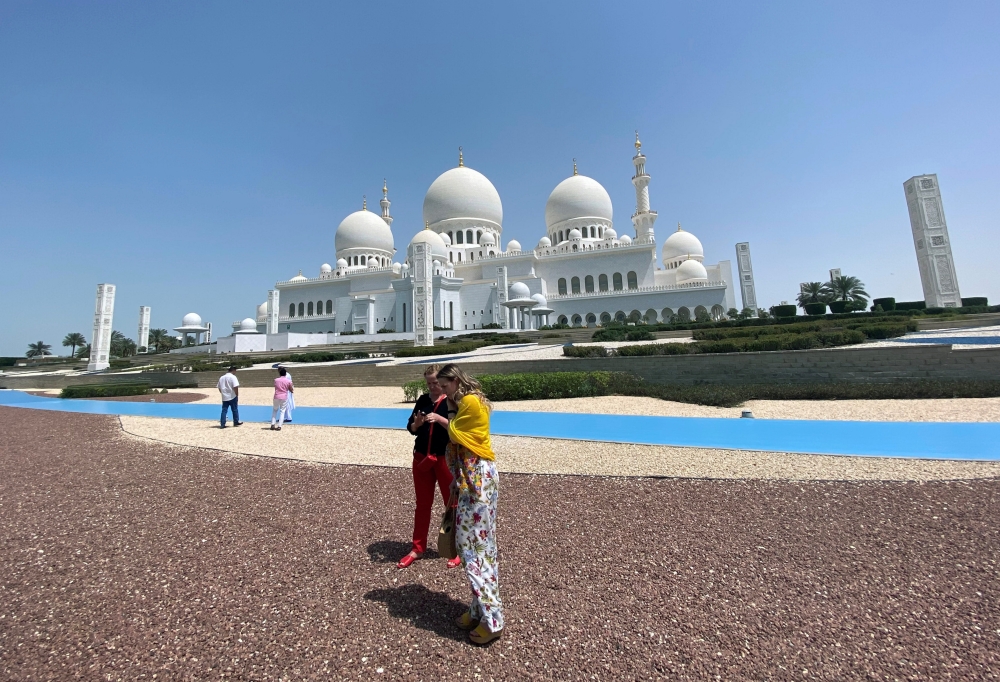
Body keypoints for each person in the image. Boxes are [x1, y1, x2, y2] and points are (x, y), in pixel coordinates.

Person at [432, 363, 504, 645]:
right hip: (469, 477)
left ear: (455, 381)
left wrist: (442, 416)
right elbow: (460, 448)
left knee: (476, 548)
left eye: (444, 385)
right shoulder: (464, 401)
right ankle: (478, 608)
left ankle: (493, 618)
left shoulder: (471, 402)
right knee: (470, 545)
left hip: (478, 481)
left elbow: (455, 435)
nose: (442, 390)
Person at [398, 365, 461, 570]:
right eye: (429, 383)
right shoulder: (424, 400)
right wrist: (416, 424)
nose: (433, 387)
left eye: (436, 383)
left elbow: (459, 431)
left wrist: (440, 419)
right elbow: (411, 428)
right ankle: (418, 547)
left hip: (444, 459)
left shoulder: (452, 401)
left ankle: (456, 548)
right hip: (421, 458)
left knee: (451, 505)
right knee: (422, 504)